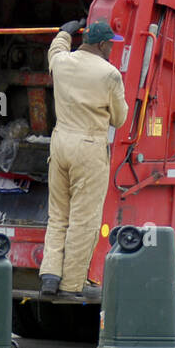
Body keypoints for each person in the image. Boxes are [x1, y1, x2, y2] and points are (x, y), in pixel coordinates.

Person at [39, 19, 127, 299]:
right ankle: (71, 285)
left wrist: (64, 31)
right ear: (102, 45)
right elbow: (119, 118)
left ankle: (50, 276)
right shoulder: (110, 74)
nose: (112, 48)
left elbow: (55, 49)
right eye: (110, 44)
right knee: (84, 219)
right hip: (88, 147)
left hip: (60, 141)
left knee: (58, 216)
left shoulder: (62, 62)